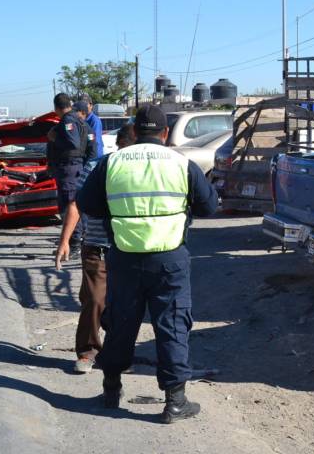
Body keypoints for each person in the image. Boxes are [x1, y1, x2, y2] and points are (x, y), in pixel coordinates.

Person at [77, 103, 218, 422]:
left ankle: (111, 389)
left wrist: (118, 214)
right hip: (169, 259)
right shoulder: (181, 163)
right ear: (165, 133)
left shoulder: (111, 163)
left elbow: (86, 203)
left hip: (124, 256)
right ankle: (175, 401)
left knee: (121, 324)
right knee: (172, 324)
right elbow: (209, 207)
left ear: (135, 131)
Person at [54, 122, 136, 374]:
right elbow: (76, 204)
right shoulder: (98, 166)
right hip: (98, 247)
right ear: (120, 145)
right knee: (95, 300)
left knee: (125, 305)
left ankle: (118, 354)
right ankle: (87, 351)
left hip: (131, 248)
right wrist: (65, 240)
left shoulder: (143, 169)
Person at [47, 93, 92, 255]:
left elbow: (73, 143)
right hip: (76, 167)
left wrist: (54, 139)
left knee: (69, 205)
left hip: (69, 169)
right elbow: (90, 145)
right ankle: (79, 241)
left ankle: (74, 244)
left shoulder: (68, 120)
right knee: (76, 204)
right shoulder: (80, 120)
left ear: (56, 108)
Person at [79, 94, 104, 161]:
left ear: (91, 105)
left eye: (85, 104)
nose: (83, 106)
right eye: (81, 104)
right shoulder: (81, 120)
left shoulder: (94, 120)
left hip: (93, 158)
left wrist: (92, 161)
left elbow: (95, 142)